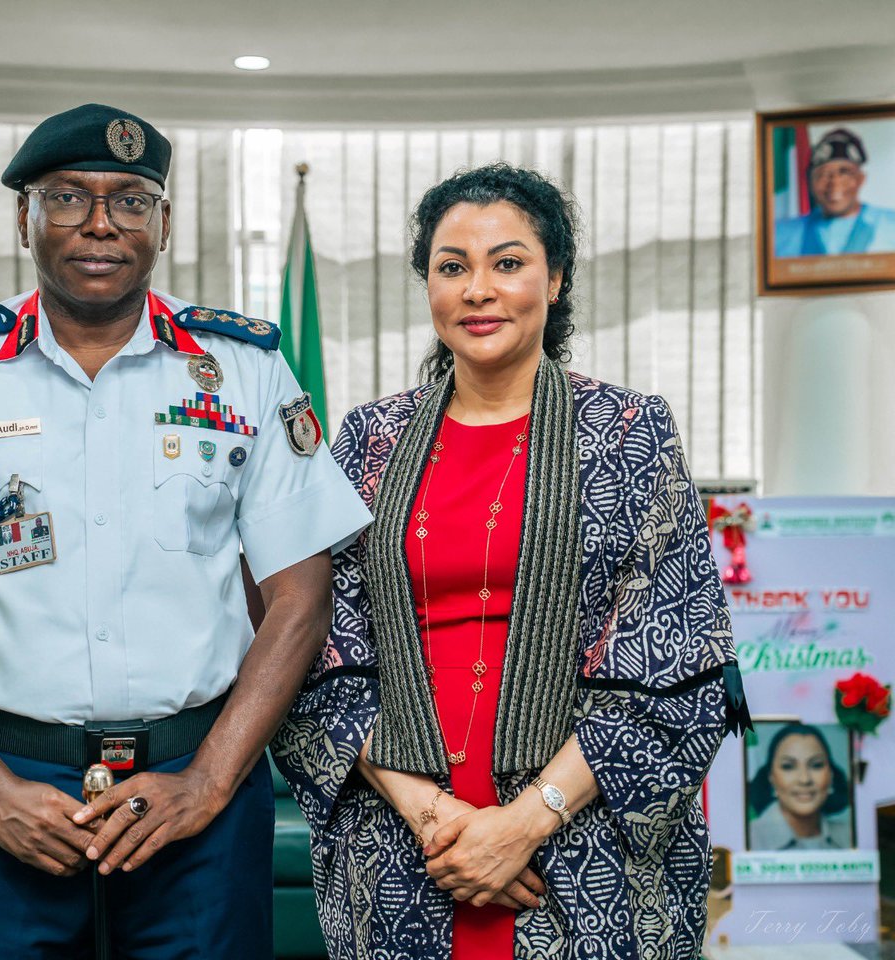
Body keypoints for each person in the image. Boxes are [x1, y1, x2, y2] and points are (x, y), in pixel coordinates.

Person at [0, 102, 372, 958]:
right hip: (6, 784)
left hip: (197, 788)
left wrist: (210, 781)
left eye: (132, 199)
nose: (101, 224)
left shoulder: (247, 368)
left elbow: (301, 599)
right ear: (24, 216)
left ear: (165, 222)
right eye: (69, 197)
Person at [271, 163, 751, 960]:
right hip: (405, 844)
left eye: (509, 262)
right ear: (427, 286)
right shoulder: (366, 441)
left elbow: (672, 658)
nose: (477, 289)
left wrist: (522, 825)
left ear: (555, 279)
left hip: (583, 841)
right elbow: (321, 653)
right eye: (452, 267)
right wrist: (440, 820)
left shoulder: (629, 432)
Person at [774, 127, 895, 257]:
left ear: (861, 179)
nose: (834, 183)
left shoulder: (890, 226)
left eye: (844, 172)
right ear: (810, 181)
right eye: (823, 174)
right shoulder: (780, 234)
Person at [748, 723, 852, 851]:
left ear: (831, 775)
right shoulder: (748, 838)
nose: (805, 779)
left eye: (816, 765)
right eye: (788, 766)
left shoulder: (850, 836)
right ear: (771, 777)